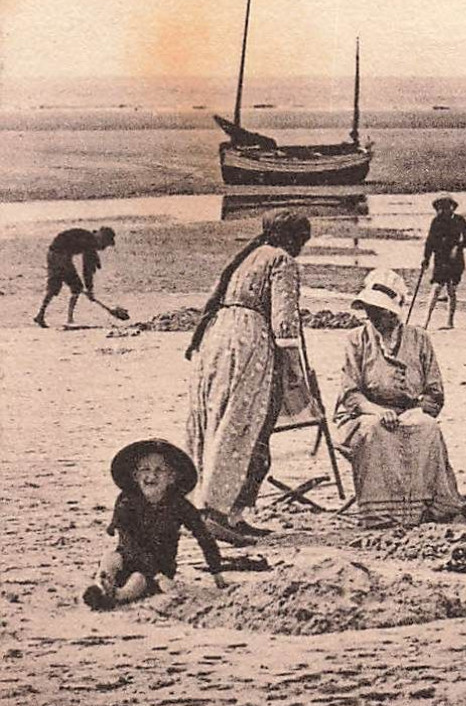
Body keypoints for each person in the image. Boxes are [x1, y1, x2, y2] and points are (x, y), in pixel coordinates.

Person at [185, 210, 312, 546]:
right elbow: (284, 321)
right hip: (248, 341)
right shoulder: (282, 260)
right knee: (244, 424)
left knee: (217, 419)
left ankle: (225, 511)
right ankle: (217, 512)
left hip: (218, 338)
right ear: (293, 239)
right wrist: (295, 368)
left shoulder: (249, 256)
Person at [333, 268, 466, 528]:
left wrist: (417, 410)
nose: (374, 317)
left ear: (394, 311)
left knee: (427, 428)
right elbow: (350, 393)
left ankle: (424, 508)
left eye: (380, 311)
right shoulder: (356, 340)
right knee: (374, 431)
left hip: (410, 411)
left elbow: (435, 392)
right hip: (363, 414)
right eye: (370, 310)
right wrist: (375, 410)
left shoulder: (419, 340)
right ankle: (380, 514)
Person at [83, 439, 225, 611]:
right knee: (110, 558)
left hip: (160, 567)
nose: (151, 476)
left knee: (138, 579)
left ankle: (117, 597)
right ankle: (100, 586)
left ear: (172, 477)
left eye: (160, 470)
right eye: (145, 469)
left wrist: (216, 572)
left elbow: (203, 535)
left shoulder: (179, 505)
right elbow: (129, 543)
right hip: (128, 556)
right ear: (135, 476)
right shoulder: (126, 501)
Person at [34, 226, 116, 328]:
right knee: (76, 287)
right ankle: (69, 319)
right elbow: (87, 269)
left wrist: (89, 288)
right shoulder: (89, 242)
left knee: (54, 287)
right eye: (105, 244)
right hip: (60, 257)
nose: (103, 247)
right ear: (102, 238)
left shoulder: (89, 239)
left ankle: (41, 314)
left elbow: (90, 264)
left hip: (53, 255)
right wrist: (89, 289)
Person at [421, 196, 466, 330]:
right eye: (439, 208)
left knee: (451, 290)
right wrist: (426, 258)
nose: (442, 211)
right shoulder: (436, 222)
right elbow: (430, 241)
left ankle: (450, 322)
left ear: (451, 208)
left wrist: (458, 247)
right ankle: (425, 322)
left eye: (445, 207)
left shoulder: (459, 220)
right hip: (440, 259)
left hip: (455, 260)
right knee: (436, 288)